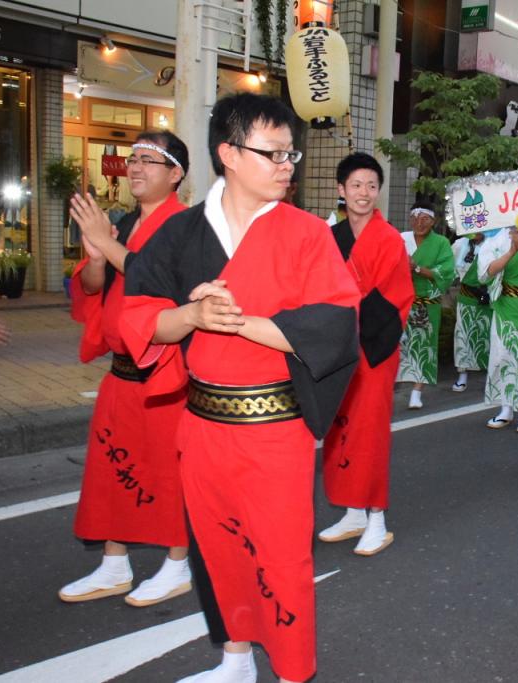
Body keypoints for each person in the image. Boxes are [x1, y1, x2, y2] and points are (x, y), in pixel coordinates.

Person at [122, 93, 360, 683]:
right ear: (228, 154)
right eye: (273, 153)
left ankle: (293, 670)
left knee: (282, 558)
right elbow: (141, 319)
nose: (287, 165)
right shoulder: (180, 233)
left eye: (290, 153)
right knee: (215, 550)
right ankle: (234, 661)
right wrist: (192, 316)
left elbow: (334, 325)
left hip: (275, 430)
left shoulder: (307, 233)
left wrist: (235, 320)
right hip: (202, 429)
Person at [60, 131, 193, 607]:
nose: (135, 167)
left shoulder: (187, 226)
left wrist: (105, 242)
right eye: (132, 159)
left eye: (148, 160)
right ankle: (114, 563)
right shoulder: (124, 223)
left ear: (175, 174)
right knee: (112, 466)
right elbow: (94, 287)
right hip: (121, 373)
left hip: (164, 375)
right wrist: (97, 256)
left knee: (169, 472)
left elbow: (155, 279)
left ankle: (177, 564)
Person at [320, 152, 414, 556]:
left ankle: (377, 517)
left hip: (374, 346)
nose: (363, 193)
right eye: (356, 185)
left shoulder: (389, 238)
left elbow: (394, 297)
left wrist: (344, 310)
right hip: (337, 347)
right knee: (340, 428)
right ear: (341, 189)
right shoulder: (331, 236)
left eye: (371, 186)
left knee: (370, 432)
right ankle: (354, 510)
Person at [479, 223, 518, 432]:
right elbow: (486, 272)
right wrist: (510, 251)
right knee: (503, 356)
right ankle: (505, 408)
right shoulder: (495, 238)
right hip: (504, 306)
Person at [397, 200, 455, 409]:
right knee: (399, 345)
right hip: (403, 303)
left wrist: (417, 268)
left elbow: (446, 273)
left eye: (424, 219)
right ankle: (390, 384)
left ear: (433, 221)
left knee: (424, 346)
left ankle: (416, 392)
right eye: (414, 218)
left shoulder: (441, 243)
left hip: (427, 305)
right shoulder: (401, 239)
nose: (419, 223)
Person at [451, 232, 491, 392]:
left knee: (487, 336)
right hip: (466, 298)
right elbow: (450, 269)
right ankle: (462, 375)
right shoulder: (459, 244)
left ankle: (490, 376)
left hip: (487, 298)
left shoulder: (494, 243)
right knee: (463, 336)